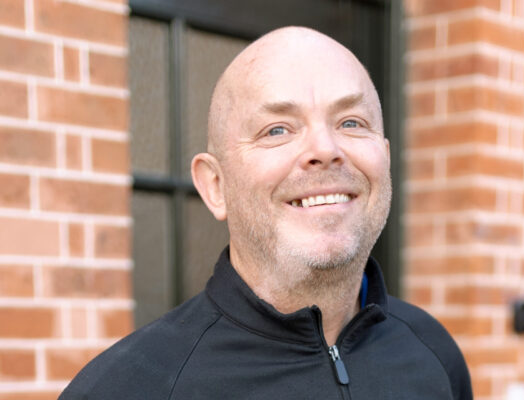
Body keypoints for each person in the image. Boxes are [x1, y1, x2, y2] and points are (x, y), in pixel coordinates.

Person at [59, 26, 472, 400]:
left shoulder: (434, 353)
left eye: (351, 122)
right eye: (277, 130)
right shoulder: (127, 389)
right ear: (215, 186)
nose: (325, 149)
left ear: (384, 157)